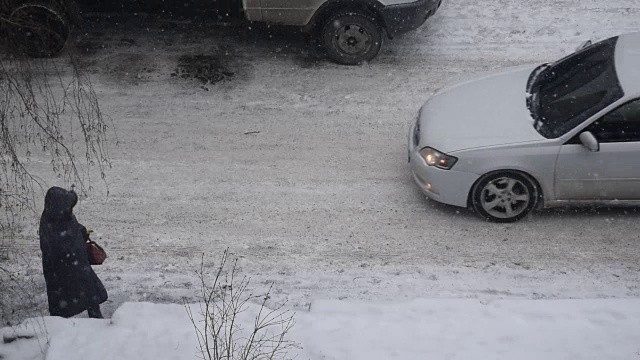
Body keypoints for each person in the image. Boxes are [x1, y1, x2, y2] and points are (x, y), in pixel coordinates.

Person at [39, 186, 108, 318]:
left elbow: (73, 227)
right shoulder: (51, 222)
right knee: (66, 300)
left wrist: (82, 231)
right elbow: (55, 246)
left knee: (90, 295)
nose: (70, 209)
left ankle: (96, 319)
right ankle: (63, 327)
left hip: (77, 265)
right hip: (63, 270)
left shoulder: (62, 215)